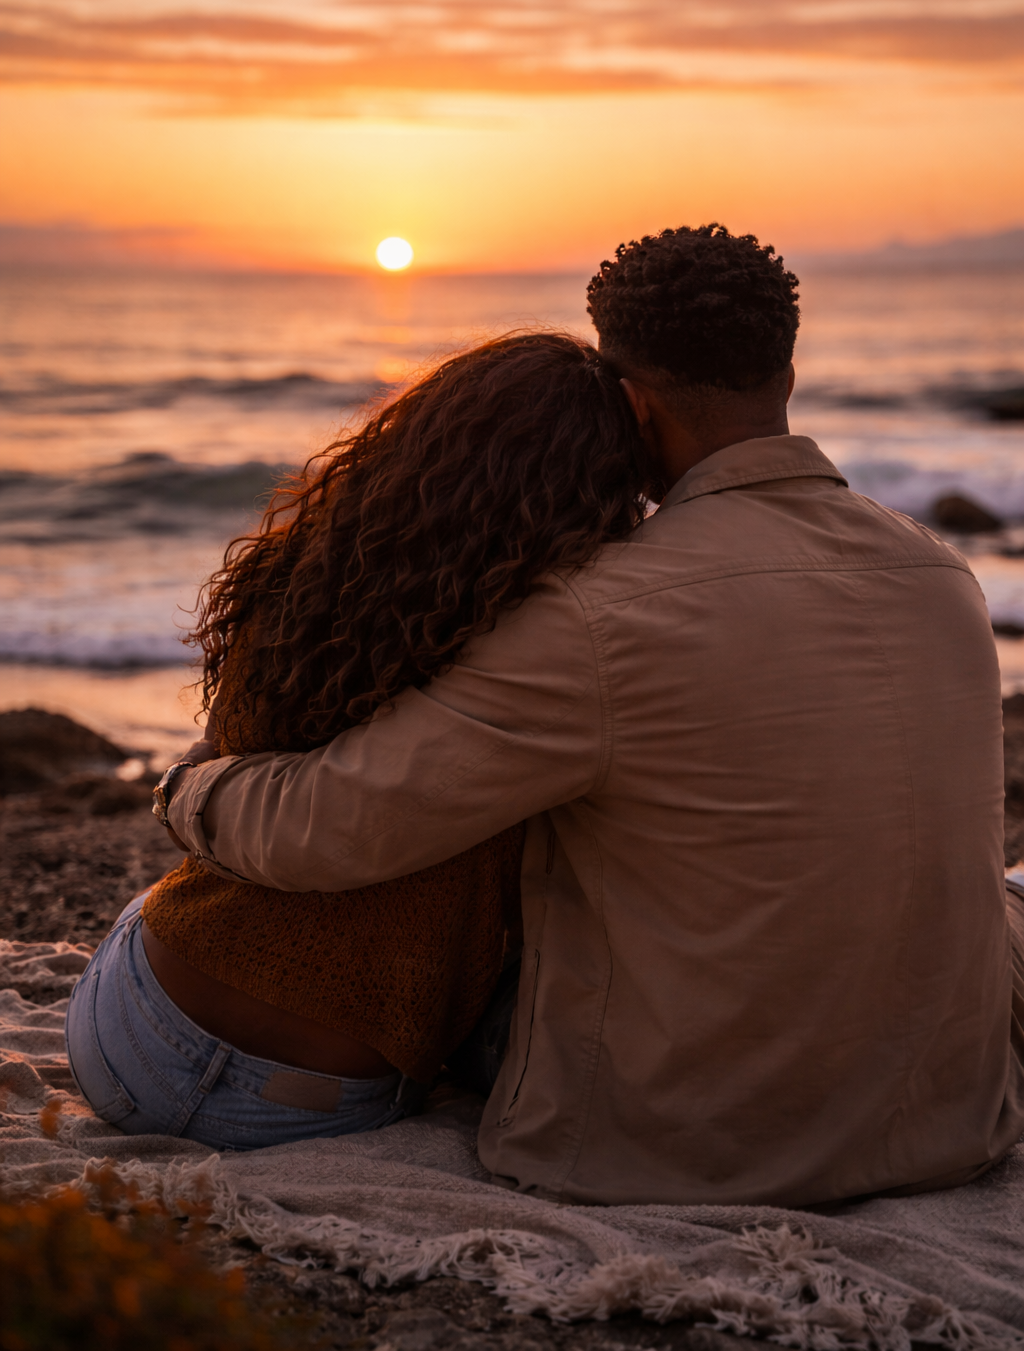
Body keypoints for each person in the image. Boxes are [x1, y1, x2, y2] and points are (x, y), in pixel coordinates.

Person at [159, 224, 1024, 1206]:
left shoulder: (598, 613)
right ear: (786, 372)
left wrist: (191, 784)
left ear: (627, 402)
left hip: (685, 1143)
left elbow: (328, 828)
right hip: (950, 1122)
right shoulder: (941, 575)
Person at [64, 334, 651, 1149]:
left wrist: (186, 788)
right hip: (313, 1103)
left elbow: (229, 754)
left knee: (157, 906)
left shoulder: (316, 579)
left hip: (135, 1033)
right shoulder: (554, 669)